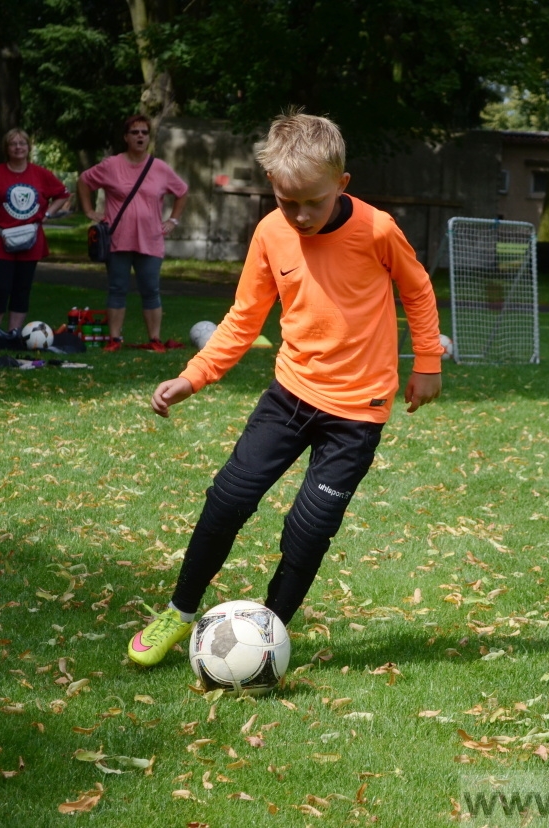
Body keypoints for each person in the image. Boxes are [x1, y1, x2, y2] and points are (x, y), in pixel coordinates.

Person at [126, 111, 444, 668]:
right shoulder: (272, 233)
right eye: (285, 201)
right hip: (289, 396)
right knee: (227, 499)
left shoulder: (377, 229)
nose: (298, 215)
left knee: (308, 529)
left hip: (357, 411)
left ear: (342, 184)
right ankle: (179, 611)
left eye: (312, 202)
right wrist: (194, 375)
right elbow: (244, 317)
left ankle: (268, 635)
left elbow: (417, 291)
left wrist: (428, 363)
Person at [77, 114, 188, 352]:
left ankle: (154, 339)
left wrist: (173, 220)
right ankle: (114, 339)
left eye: (144, 133)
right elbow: (84, 181)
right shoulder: (111, 165)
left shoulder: (159, 168)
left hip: (150, 240)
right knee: (117, 289)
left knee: (151, 290)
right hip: (118, 239)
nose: (140, 136)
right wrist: (88, 211)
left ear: (148, 138)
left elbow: (182, 191)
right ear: (126, 137)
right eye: (135, 132)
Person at [0, 128, 70, 337]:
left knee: (22, 287)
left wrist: (47, 213)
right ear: (6, 148)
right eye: (13, 144)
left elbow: (63, 194)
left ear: (28, 147)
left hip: (30, 240)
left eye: (22, 143)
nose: (18, 147)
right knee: (0, 286)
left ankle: (14, 332)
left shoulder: (40, 174)